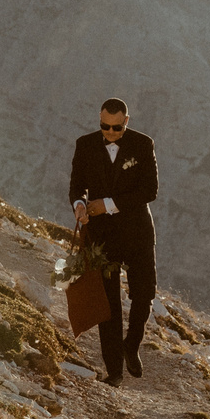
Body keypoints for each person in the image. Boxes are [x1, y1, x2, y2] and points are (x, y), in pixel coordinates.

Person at [66, 97, 158, 384]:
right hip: (102, 235)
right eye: (105, 126)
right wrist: (80, 205)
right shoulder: (85, 144)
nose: (110, 132)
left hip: (137, 232)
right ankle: (114, 372)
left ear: (126, 122)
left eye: (116, 128)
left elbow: (150, 191)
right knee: (109, 304)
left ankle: (131, 345)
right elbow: (76, 186)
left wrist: (108, 203)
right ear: (99, 119)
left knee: (144, 294)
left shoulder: (143, 145)